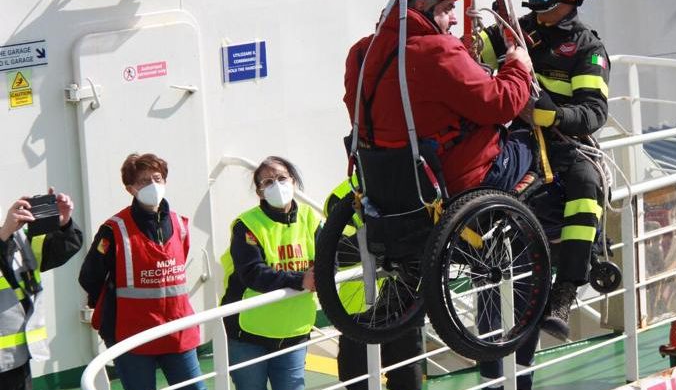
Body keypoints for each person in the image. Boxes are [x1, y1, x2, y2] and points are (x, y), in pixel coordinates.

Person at [478, 0, 609, 345]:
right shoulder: (513, 32)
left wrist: (554, 115)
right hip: (511, 140)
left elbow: (594, 112)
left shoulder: (587, 47)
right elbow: (472, 58)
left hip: (561, 146)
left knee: (588, 182)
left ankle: (565, 291)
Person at [343, 0, 536, 197]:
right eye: (447, 9)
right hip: (452, 179)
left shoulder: (361, 53)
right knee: (533, 142)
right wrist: (517, 67)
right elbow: (500, 105)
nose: (455, 18)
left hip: (387, 185)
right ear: (422, 5)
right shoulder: (438, 51)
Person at [78, 153, 205, 390]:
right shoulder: (114, 229)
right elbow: (89, 276)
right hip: (132, 336)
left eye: (157, 178)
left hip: (177, 330)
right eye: (144, 181)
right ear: (131, 189)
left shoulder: (180, 224)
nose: (153, 186)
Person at [220, 156, 320, 390]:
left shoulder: (310, 219)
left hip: (295, 330)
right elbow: (252, 273)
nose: (277, 184)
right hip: (248, 333)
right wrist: (301, 279)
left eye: (282, 178)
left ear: (293, 181)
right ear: (260, 192)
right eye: (267, 182)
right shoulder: (247, 225)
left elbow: (330, 256)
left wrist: (323, 273)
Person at [324, 178, 423, 390]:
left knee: (406, 366)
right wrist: (382, 245)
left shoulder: (408, 182)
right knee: (359, 376)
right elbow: (338, 251)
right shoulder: (339, 197)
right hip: (359, 307)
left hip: (404, 293)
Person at [2, 190, 82, 390]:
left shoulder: (15, 235)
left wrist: (64, 224)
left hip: (13, 361)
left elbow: (52, 252)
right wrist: (3, 235)